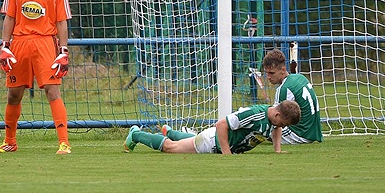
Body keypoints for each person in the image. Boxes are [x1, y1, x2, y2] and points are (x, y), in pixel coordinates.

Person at [0, 0, 73, 155]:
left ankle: (64, 142)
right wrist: (5, 46)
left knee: (52, 90)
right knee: (14, 94)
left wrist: (63, 51)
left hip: (46, 42)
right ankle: (10, 142)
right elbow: (9, 17)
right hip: (20, 43)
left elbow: (62, 22)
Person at [124, 100, 301, 155]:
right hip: (211, 142)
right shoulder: (255, 114)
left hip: (215, 143)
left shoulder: (273, 120)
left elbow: (276, 129)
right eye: (283, 123)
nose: (282, 127)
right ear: (278, 115)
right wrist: (227, 154)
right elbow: (222, 124)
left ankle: (169, 132)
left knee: (186, 141)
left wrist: (277, 150)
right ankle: (136, 134)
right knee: (171, 148)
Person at [262, 48, 323, 144]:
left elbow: (274, 119)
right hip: (313, 132)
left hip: (299, 135)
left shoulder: (284, 88)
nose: (268, 77)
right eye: (266, 73)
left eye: (271, 73)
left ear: (283, 70)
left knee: (258, 124)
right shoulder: (300, 77)